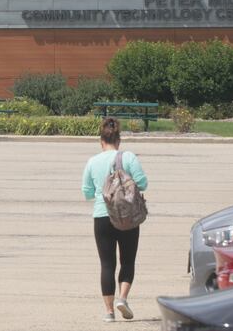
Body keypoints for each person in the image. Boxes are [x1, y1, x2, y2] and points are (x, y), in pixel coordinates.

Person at [81, 117, 148, 323]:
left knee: (107, 264)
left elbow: (87, 193)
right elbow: (143, 183)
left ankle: (109, 312)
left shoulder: (92, 162)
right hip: (127, 216)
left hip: (102, 216)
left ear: (101, 141)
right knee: (127, 261)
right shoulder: (128, 157)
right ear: (118, 141)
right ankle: (123, 298)